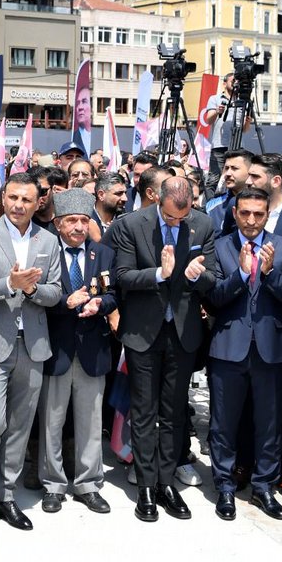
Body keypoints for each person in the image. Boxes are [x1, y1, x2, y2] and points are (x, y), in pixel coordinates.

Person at [0, 172, 62, 532]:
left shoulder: (48, 240)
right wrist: (9, 284)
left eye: (26, 200)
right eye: (13, 198)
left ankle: (7, 496)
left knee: (20, 426)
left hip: (33, 343)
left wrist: (33, 291)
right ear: (4, 198)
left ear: (38, 203)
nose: (19, 205)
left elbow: (56, 291)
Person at [111, 176, 215, 521]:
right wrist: (159, 272)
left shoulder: (202, 224)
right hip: (143, 331)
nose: (177, 223)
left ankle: (167, 483)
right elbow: (123, 276)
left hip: (183, 333)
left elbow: (213, 278)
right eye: (170, 217)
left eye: (182, 218)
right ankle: (145, 485)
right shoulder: (131, 225)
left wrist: (198, 275)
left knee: (174, 412)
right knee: (144, 410)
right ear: (158, 201)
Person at [204, 187, 282, 522]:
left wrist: (270, 271)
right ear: (235, 213)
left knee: (269, 424)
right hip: (228, 350)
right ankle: (225, 488)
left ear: (266, 215)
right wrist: (243, 274)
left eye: (258, 214)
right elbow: (214, 297)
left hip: (272, 352)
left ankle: (263, 487)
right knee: (223, 424)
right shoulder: (220, 247)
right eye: (245, 213)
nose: (251, 220)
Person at [38, 189, 117, 514]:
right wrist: (62, 302)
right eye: (71, 221)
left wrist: (100, 304)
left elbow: (114, 294)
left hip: (91, 350)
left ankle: (88, 484)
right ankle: (53, 484)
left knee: (90, 422)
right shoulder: (44, 254)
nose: (78, 227)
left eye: (84, 220)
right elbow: (36, 295)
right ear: (57, 223)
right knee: (51, 423)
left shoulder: (104, 254)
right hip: (55, 350)